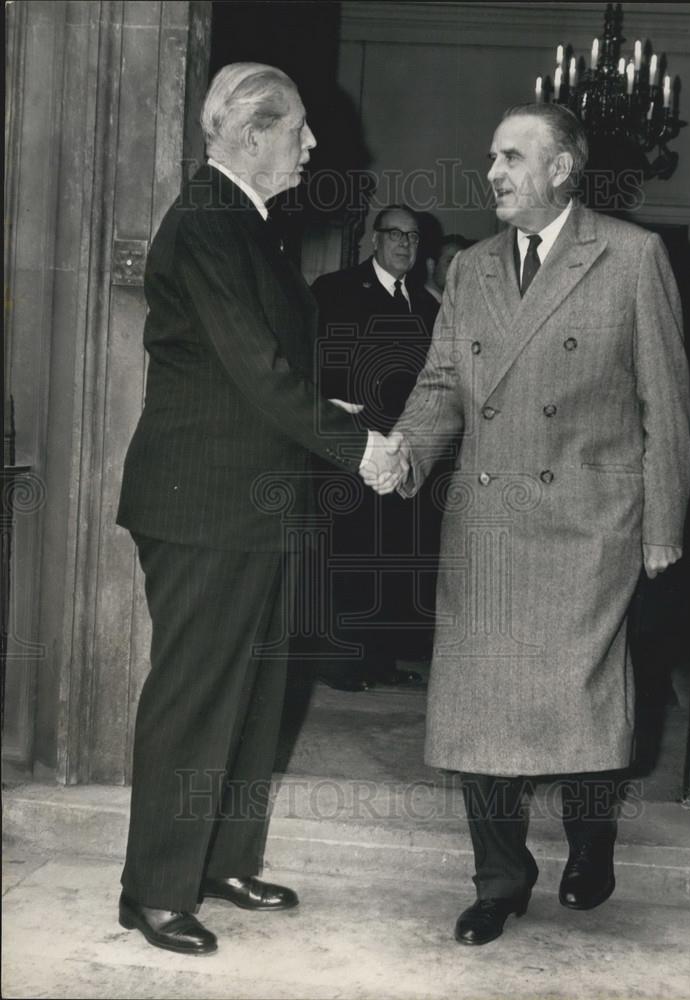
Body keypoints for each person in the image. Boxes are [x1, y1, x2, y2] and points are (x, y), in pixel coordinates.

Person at [377, 103, 690, 945]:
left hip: (587, 524)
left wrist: (661, 522)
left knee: (582, 707)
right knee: (477, 709)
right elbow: (442, 383)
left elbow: (665, 401)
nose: (493, 172)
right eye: (491, 157)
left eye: (513, 157)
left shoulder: (629, 256)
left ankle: (590, 841)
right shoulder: (473, 268)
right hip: (487, 522)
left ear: (561, 170)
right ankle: (500, 879)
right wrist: (403, 451)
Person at [116, 62, 402, 955]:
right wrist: (356, 445)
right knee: (196, 696)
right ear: (251, 134)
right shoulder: (207, 220)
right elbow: (254, 370)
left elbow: (258, 372)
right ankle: (156, 889)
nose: (311, 144)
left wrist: (338, 413)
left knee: (256, 691)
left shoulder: (249, 223)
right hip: (202, 503)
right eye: (298, 130)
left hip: (255, 499)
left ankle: (223, 861)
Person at [310, 205, 444, 691]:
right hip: (351, 447)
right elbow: (316, 366)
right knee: (346, 554)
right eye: (395, 234)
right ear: (374, 240)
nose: (405, 244)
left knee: (392, 556)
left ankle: (380, 661)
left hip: (403, 451)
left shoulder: (429, 308)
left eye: (413, 237)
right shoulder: (335, 290)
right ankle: (338, 663)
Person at [425, 233, 474, 303]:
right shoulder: (419, 306)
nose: (457, 269)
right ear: (431, 265)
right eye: (450, 261)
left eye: (461, 263)